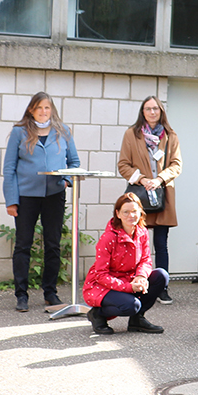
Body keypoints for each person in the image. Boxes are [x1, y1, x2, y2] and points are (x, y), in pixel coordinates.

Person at [2, 91, 81, 312]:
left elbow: (74, 162)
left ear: (52, 110)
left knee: (53, 245)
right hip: (26, 196)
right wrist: (11, 200)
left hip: (54, 195)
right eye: (39, 108)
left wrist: (66, 180)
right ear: (31, 110)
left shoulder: (62, 131)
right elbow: (9, 169)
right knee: (23, 244)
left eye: (47, 108)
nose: (43, 112)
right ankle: (21, 295)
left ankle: (50, 293)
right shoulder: (19, 132)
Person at [117, 95, 183, 304]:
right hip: (139, 197)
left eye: (156, 108)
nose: (152, 112)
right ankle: (136, 285)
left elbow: (176, 165)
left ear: (161, 111)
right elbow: (123, 165)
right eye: (148, 109)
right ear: (142, 112)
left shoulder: (170, 136)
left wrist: (159, 179)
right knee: (137, 243)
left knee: (161, 244)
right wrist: (143, 179)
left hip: (162, 195)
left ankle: (162, 288)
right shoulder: (131, 134)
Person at [81, 192, 167, 335]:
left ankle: (137, 320)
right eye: (125, 212)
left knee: (161, 275)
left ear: (140, 212)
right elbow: (101, 275)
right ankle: (98, 314)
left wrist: (141, 276)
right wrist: (129, 287)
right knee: (131, 305)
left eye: (134, 211)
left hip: (131, 279)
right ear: (118, 214)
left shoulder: (142, 232)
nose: (130, 215)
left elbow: (146, 259)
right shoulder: (108, 238)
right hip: (103, 285)